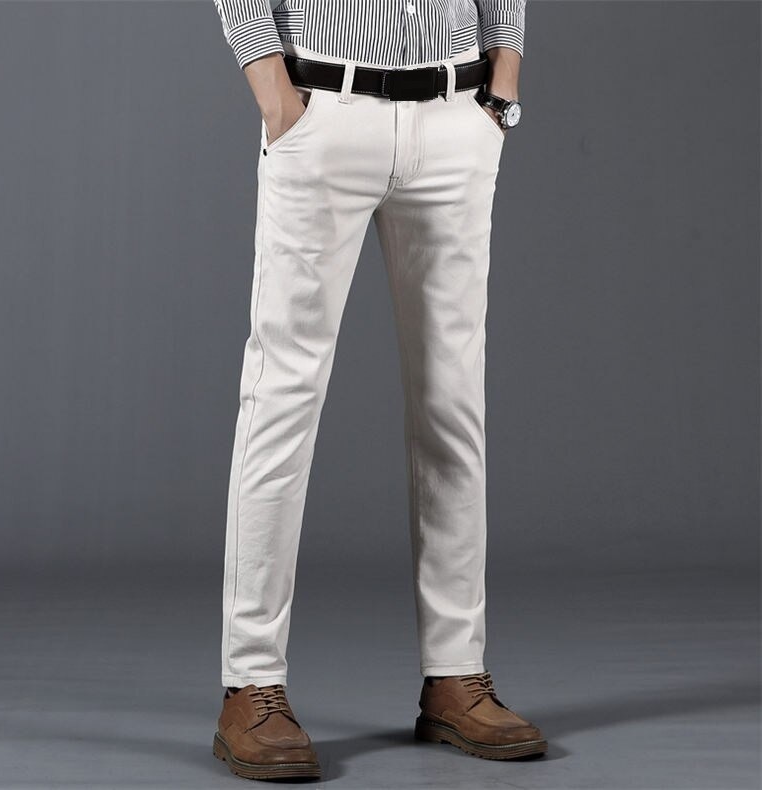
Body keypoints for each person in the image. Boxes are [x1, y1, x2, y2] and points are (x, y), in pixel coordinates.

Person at [209, 0, 547, 780]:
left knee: (453, 403)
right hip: (322, 111)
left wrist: (501, 85)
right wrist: (274, 92)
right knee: (282, 398)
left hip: (456, 118)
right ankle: (250, 684)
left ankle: (456, 675)